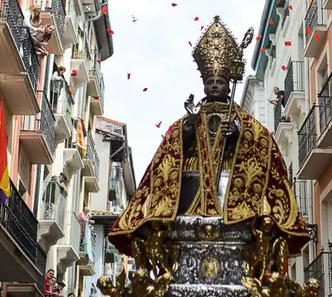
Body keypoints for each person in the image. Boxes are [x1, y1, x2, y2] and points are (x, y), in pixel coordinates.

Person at [107, 16, 309, 258]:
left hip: (230, 181)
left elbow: (264, 144)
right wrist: (189, 128)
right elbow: (169, 151)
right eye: (210, 82)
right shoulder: (190, 117)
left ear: (227, 84)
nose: (215, 86)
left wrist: (239, 135)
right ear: (204, 84)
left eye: (220, 82)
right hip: (194, 184)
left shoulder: (243, 120)